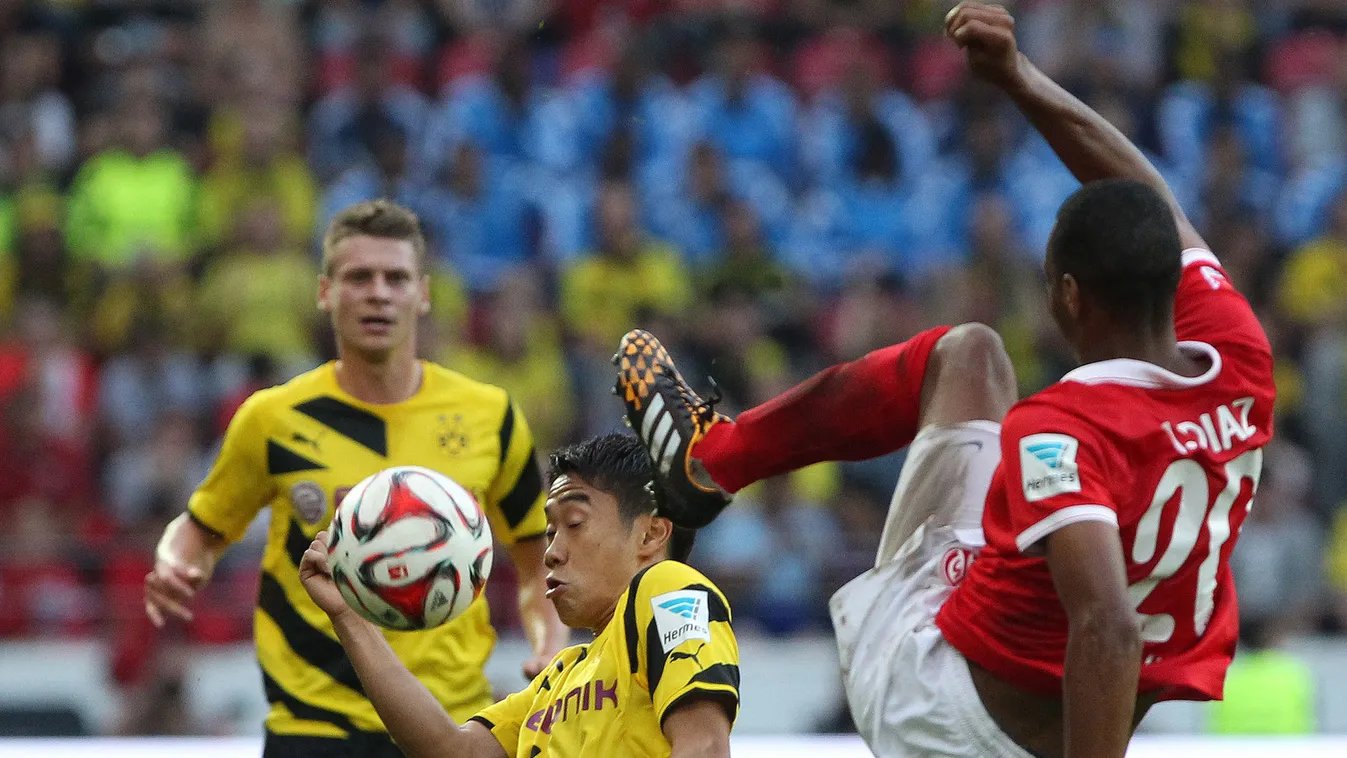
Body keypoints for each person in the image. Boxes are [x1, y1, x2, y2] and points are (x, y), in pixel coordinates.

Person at [613, 4, 1275, 757]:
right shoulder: (1240, 356)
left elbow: (1108, 626)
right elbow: (1151, 203)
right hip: (1070, 722)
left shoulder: (1063, 430)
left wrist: (1015, 76)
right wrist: (1019, 78)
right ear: (1173, 281)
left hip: (938, 713)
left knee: (966, 357)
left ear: (1067, 297)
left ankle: (709, 462)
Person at [142, 200, 569, 757]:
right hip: (313, 724)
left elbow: (538, 557)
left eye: (396, 278)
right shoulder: (272, 418)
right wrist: (176, 562)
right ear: (325, 293)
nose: (378, 292)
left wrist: (550, 641)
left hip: (451, 724)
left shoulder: (490, 415)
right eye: (358, 277)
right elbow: (201, 528)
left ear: (423, 293)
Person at [297, 433, 739, 757]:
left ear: (651, 533)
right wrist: (349, 616)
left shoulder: (668, 589)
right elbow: (452, 751)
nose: (550, 552)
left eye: (575, 523)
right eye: (549, 532)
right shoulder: (560, 677)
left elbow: (703, 748)